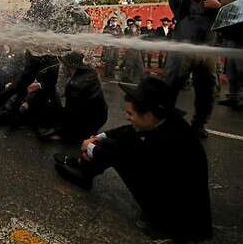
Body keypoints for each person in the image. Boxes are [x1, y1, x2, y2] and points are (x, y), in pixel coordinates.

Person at [53, 77, 212, 242]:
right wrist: (99, 138)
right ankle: (84, 169)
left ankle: (84, 172)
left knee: (118, 150)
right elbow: (128, 130)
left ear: (149, 115)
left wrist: (89, 147)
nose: (127, 117)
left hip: (177, 220)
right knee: (120, 141)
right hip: (171, 197)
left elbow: (123, 154)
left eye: (130, 113)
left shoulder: (171, 139)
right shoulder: (165, 119)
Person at [165, 0, 222, 138]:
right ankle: (164, 121)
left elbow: (231, 11)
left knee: (207, 91)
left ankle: (199, 124)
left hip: (206, 56)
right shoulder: (181, 5)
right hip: (182, 54)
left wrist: (219, 6)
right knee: (171, 88)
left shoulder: (213, 5)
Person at [37, 51, 108, 142]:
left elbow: (73, 113)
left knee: (43, 132)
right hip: (99, 118)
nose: (62, 67)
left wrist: (61, 133)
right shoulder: (89, 73)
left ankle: (75, 136)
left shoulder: (75, 85)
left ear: (69, 65)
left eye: (64, 64)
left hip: (88, 123)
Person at [122, 19, 145, 83]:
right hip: (132, 49)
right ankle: (125, 77)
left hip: (136, 49)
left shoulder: (137, 29)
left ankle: (143, 78)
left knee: (140, 64)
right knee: (129, 64)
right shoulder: (131, 29)